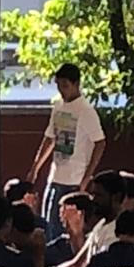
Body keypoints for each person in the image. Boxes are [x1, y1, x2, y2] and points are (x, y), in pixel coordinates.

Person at [27, 63, 107, 240]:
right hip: (55, 176)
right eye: (59, 86)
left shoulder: (86, 111)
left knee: (65, 230)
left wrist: (86, 178)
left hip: (74, 180)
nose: (62, 90)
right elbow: (49, 138)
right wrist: (36, 168)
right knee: (49, 225)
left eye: (65, 86)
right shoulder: (58, 107)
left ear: (76, 84)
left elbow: (100, 143)